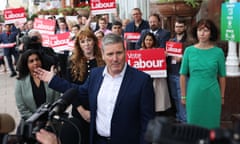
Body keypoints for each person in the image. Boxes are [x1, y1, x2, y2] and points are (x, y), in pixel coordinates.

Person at [34, 33, 155, 144]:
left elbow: (148, 124)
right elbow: (77, 91)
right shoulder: (95, 75)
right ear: (102, 55)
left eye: (119, 53)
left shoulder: (142, 81)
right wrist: (52, 80)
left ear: (125, 52)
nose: (115, 59)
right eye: (110, 54)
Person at [180, 19, 226, 129]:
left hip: (212, 93)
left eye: (206, 30)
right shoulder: (189, 51)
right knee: (193, 126)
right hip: (194, 93)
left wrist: (222, 96)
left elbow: (222, 76)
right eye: (200, 30)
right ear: (196, 32)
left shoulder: (218, 52)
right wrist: (183, 95)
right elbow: (182, 75)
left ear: (211, 33)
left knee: (212, 126)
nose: (202, 33)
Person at [64, 29, 105, 144]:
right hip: (79, 108)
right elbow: (70, 89)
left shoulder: (103, 60)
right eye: (83, 41)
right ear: (79, 44)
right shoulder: (72, 62)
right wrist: (81, 110)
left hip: (100, 108)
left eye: (89, 40)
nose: (86, 44)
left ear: (94, 42)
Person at [15, 49, 60, 120]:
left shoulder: (49, 76)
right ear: (26, 64)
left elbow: (57, 100)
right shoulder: (20, 81)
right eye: (31, 61)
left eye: (37, 59)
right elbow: (21, 107)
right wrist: (35, 120)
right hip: (31, 122)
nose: (35, 63)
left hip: (51, 121)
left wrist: (50, 118)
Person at [140, 32, 171, 115]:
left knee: (158, 101)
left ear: (153, 41)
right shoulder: (139, 52)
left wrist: (163, 56)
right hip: (145, 80)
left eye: (150, 40)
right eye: (147, 40)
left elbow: (164, 65)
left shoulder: (158, 51)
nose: (148, 42)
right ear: (144, 41)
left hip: (157, 80)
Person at [167, 18, 189, 123]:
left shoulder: (189, 41)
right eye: (176, 26)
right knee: (175, 97)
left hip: (182, 74)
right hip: (172, 72)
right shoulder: (171, 41)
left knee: (182, 98)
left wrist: (183, 58)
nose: (178, 28)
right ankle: (179, 117)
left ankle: (184, 120)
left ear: (185, 27)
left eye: (180, 26)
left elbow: (193, 56)